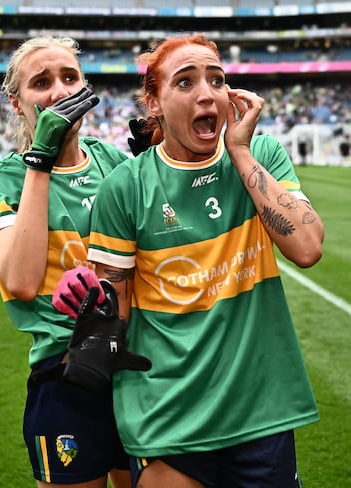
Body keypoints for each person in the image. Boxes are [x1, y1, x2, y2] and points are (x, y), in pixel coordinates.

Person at [55, 33, 325, 487]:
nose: (206, 93)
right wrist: (90, 315)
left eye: (217, 80)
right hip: (168, 416)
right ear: (154, 102)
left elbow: (308, 248)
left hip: (261, 410)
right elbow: (112, 312)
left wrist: (239, 151)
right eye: (185, 82)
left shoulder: (260, 156)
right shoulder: (126, 187)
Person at [0, 34, 132, 488]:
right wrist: (40, 159)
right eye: (41, 82)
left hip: (133, 365)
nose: (59, 91)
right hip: (63, 375)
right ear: (18, 104)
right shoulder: (0, 184)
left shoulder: (115, 163)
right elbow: (20, 281)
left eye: (69, 77)